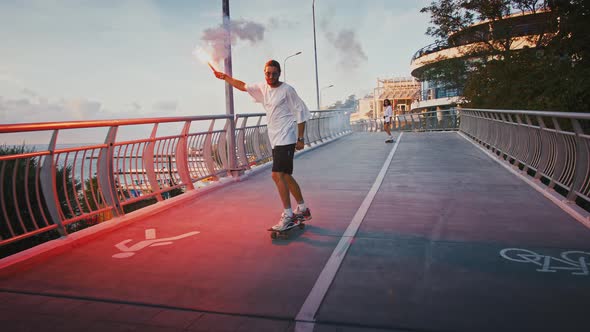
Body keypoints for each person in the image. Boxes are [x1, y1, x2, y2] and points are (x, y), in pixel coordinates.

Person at [213, 59, 312, 231]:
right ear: (264, 73)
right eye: (268, 73)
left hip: (286, 137)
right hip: (275, 138)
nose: (271, 76)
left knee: (276, 175)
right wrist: (225, 77)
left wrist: (301, 138)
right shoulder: (263, 88)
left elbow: (301, 111)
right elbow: (243, 86)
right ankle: (303, 209)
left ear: (279, 73)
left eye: (274, 73)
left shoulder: (287, 90)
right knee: (286, 176)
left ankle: (288, 215)